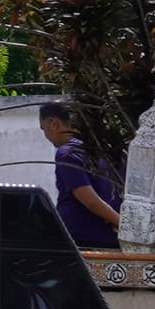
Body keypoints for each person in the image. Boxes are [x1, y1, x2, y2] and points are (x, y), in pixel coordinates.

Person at [42, 100, 120, 248]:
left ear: (53, 123)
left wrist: (122, 225)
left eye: (43, 129)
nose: (46, 135)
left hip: (84, 240)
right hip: (108, 237)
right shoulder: (97, 150)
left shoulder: (66, 153)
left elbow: (89, 200)